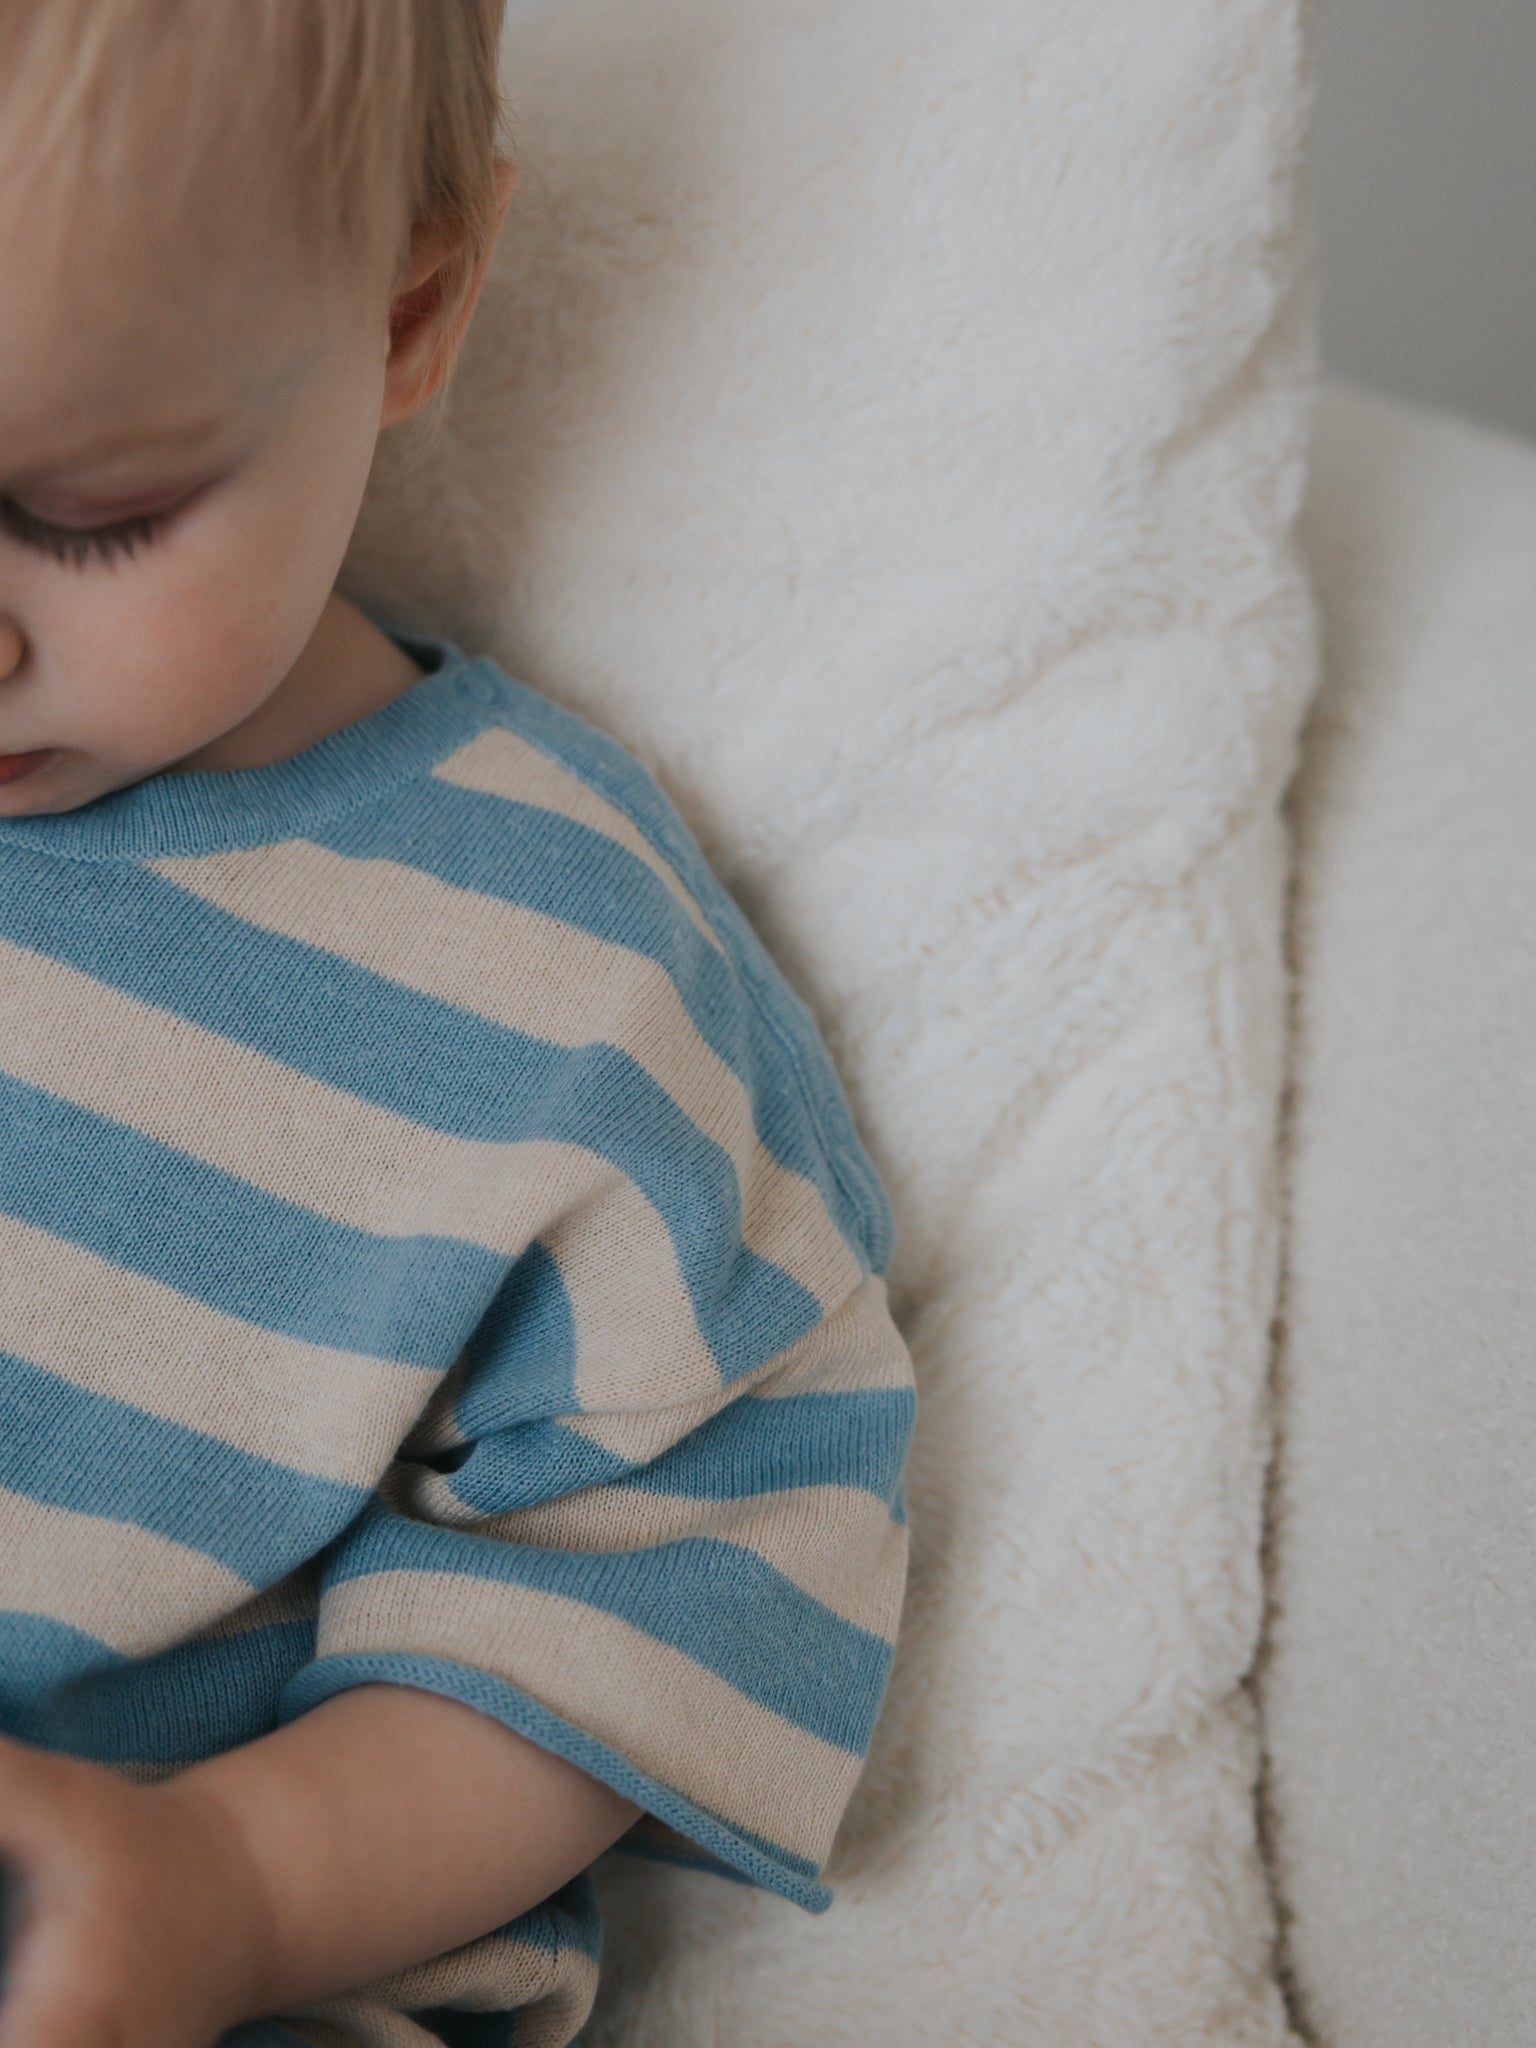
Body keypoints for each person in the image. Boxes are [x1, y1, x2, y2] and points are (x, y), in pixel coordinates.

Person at [0, 3, 917, 2043]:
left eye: (84, 511)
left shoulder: (555, 974)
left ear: (409, 312)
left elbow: (688, 1542)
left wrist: (233, 1884)